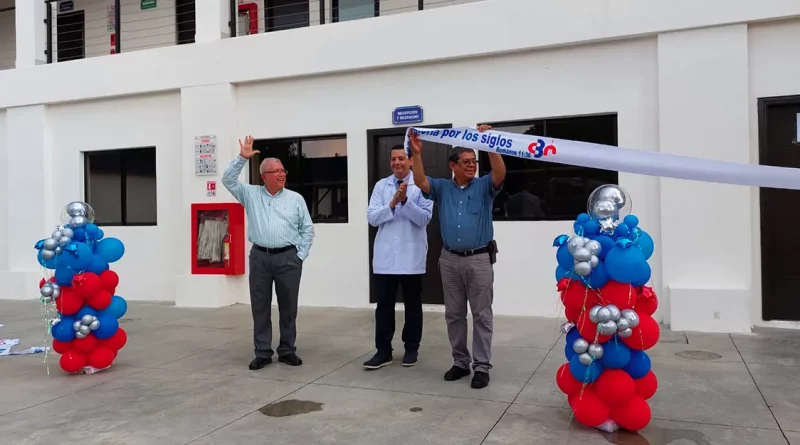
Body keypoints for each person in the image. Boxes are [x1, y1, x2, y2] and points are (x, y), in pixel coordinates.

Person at [408, 124, 506, 389]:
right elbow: (420, 181)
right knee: (454, 314)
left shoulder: (484, 186)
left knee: (482, 314)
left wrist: (489, 144)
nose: (472, 166)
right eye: (466, 162)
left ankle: (482, 366)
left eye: (474, 161)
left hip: (479, 260)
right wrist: (416, 154)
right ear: (453, 165)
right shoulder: (442, 188)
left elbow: (499, 171)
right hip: (449, 260)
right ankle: (460, 362)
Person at [222, 135, 314, 370]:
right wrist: (242, 158)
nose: (282, 174)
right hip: (260, 258)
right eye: (276, 171)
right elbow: (228, 180)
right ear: (264, 177)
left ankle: (287, 349)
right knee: (260, 306)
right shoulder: (251, 195)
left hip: (288, 258)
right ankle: (262, 352)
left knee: (288, 307)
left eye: (283, 170)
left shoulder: (295, 199)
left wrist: (299, 255)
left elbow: (307, 229)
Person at [364, 145, 433, 370]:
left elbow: (424, 219)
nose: (396, 163)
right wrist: (392, 203)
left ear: (411, 161)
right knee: (384, 306)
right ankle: (383, 350)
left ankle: (411, 348)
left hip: (411, 256)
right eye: (393, 159)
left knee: (413, 305)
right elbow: (372, 218)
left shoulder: (422, 185)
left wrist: (405, 201)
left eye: (401, 158)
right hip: (385, 258)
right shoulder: (380, 186)